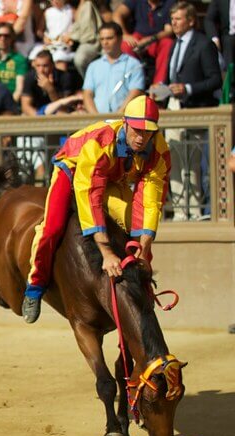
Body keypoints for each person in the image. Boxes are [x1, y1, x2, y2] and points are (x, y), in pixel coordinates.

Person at [21, 95, 170, 324]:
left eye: (148, 131)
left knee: (139, 234)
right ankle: (35, 286)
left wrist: (144, 244)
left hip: (113, 177)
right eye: (137, 130)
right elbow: (91, 195)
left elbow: (150, 202)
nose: (142, 138)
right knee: (52, 228)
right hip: (73, 169)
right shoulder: (100, 143)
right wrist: (106, 252)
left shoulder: (158, 150)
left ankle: (144, 296)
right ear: (125, 123)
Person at [160, 1, 220, 220]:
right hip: (174, 107)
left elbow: (215, 80)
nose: (173, 22)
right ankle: (179, 211)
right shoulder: (173, 45)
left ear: (191, 20)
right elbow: (171, 76)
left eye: (178, 18)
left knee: (192, 163)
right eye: (172, 18)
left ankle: (194, 211)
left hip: (194, 108)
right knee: (174, 159)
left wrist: (188, 88)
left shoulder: (204, 44)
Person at [81, 22, 145, 114]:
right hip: (98, 123)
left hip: (123, 121)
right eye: (102, 39)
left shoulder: (134, 64)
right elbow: (87, 94)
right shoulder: (93, 66)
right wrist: (96, 118)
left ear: (120, 39)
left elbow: (135, 92)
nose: (105, 42)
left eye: (109, 38)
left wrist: (118, 116)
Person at [113, 0, 175, 86]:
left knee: (168, 44)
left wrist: (151, 39)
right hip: (138, 37)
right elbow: (117, 14)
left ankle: (158, 84)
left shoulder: (170, 3)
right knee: (125, 46)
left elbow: (169, 31)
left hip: (157, 38)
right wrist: (124, 34)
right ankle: (132, 82)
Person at [21, 48, 81, 115]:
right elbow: (25, 106)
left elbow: (64, 108)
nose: (41, 70)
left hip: (59, 113)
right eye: (38, 66)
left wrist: (50, 90)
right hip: (37, 113)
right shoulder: (30, 77)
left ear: (52, 65)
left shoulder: (64, 77)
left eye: (45, 66)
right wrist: (39, 118)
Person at [0, 24, 27, 101]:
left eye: (6, 36)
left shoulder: (19, 60)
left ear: (12, 38)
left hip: (11, 102)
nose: (2, 39)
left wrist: (10, 106)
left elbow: (19, 89)